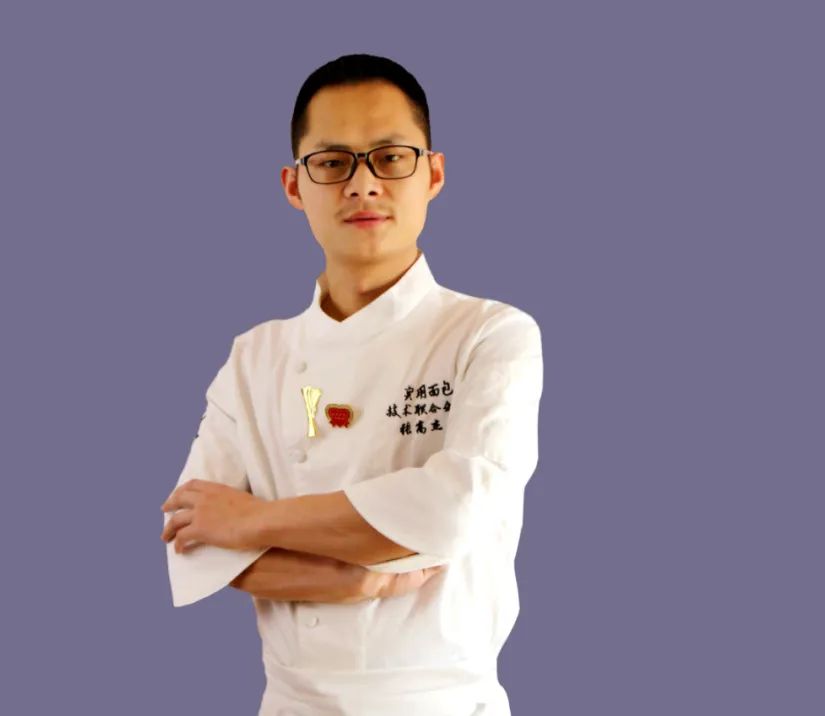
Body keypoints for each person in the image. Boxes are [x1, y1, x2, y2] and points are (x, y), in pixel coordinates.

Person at [160, 53, 544, 715]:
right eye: (333, 162)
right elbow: (191, 542)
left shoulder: (490, 333)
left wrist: (254, 521)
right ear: (293, 185)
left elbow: (458, 508)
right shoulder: (255, 357)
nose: (362, 185)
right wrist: (353, 579)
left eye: (390, 158)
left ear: (433, 174)